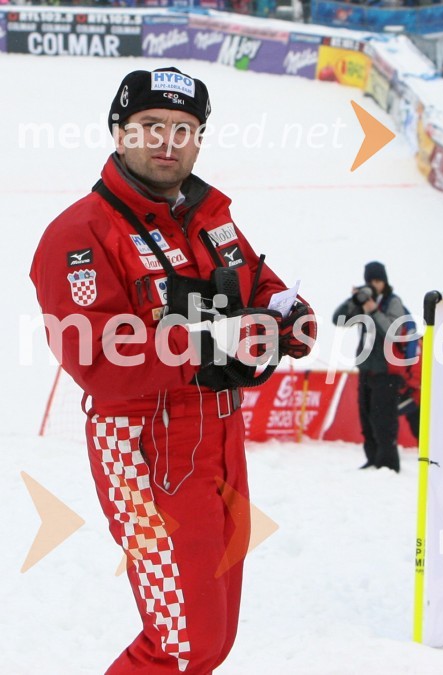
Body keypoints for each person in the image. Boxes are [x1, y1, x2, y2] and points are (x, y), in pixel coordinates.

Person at [29, 67, 316, 672]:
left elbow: (255, 281)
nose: (168, 141)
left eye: (184, 129)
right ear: (118, 132)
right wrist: (216, 339)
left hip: (220, 433)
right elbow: (98, 359)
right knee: (184, 644)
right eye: (151, 126)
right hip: (141, 443)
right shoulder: (79, 234)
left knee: (212, 639)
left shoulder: (211, 214)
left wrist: (283, 315)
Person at [333, 261, 407, 472]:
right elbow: (338, 319)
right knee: (367, 419)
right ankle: (373, 459)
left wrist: (373, 311)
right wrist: (354, 300)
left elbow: (394, 331)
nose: (374, 285)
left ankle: (388, 464)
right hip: (366, 370)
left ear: (384, 281)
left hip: (387, 372)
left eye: (377, 281)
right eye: (370, 281)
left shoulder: (393, 302)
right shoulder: (364, 303)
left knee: (384, 421)